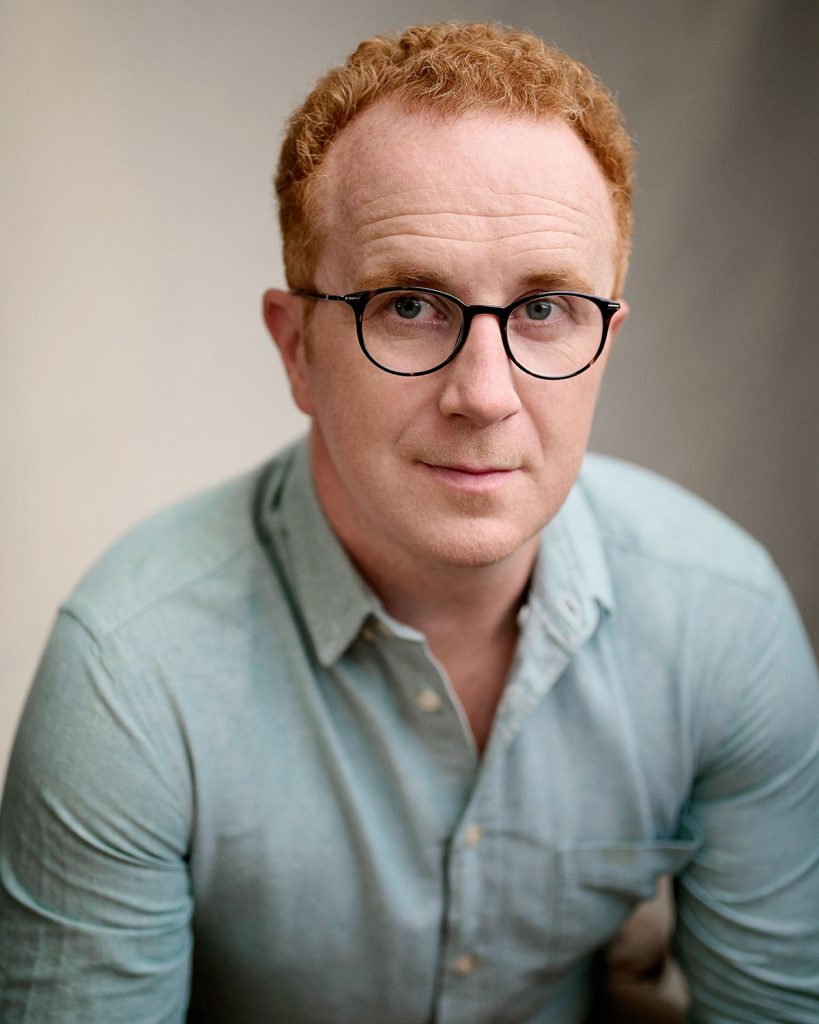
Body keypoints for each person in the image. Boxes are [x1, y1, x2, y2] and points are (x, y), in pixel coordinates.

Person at [0, 20, 817, 1024]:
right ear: (297, 348)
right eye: (411, 305)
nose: (484, 394)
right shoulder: (131, 672)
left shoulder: (724, 624)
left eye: (547, 308)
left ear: (606, 344)